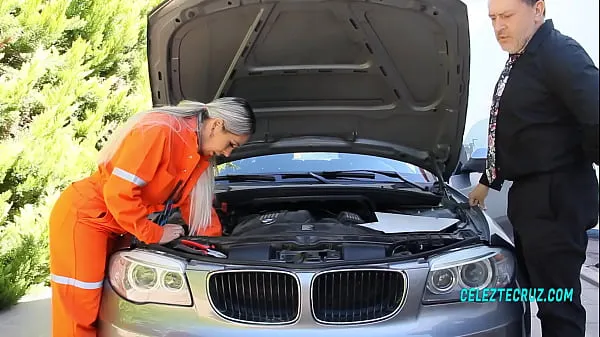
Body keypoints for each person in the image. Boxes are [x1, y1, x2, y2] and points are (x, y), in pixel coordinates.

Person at [48, 97, 257, 337]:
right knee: (79, 312)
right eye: (231, 144)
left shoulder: (198, 154)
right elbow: (118, 193)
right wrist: (155, 234)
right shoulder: (160, 131)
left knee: (106, 304)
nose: (228, 153)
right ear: (216, 125)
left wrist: (217, 246)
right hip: (85, 219)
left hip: (120, 224)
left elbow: (195, 206)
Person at [469, 1, 599, 336]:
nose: (498, 26)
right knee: (544, 297)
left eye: (507, 16)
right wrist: (487, 180)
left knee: (559, 307)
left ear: (538, 9)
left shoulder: (560, 53)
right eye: (493, 18)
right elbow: (514, 131)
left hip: (557, 200)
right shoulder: (522, 61)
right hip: (532, 199)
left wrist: (570, 164)